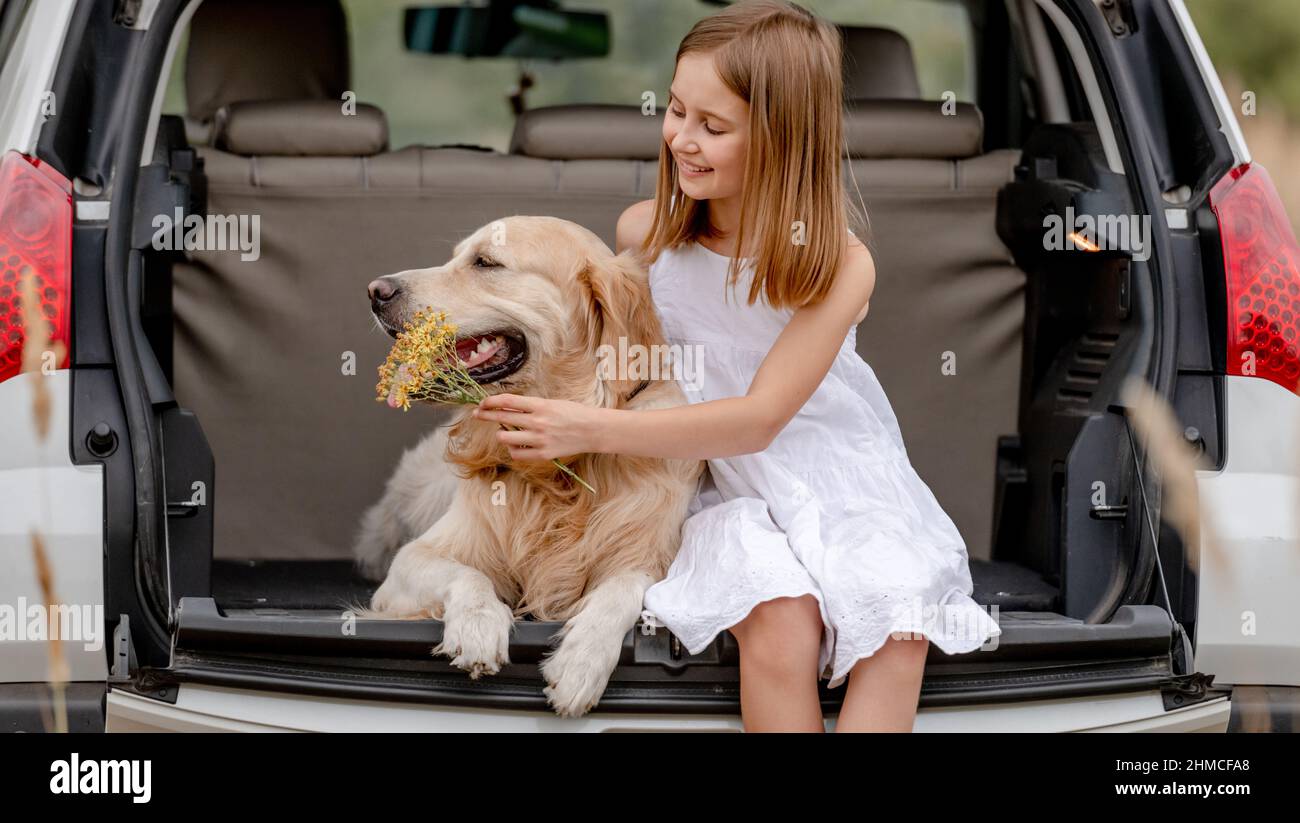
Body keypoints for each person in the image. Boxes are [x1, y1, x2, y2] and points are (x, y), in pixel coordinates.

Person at [472, 0, 1001, 732]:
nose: (681, 139)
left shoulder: (840, 265)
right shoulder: (645, 237)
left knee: (895, 620)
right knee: (778, 619)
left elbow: (759, 419)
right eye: (677, 110)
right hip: (720, 486)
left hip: (837, 480)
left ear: (782, 141)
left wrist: (587, 428)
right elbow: (604, 355)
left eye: (712, 127)